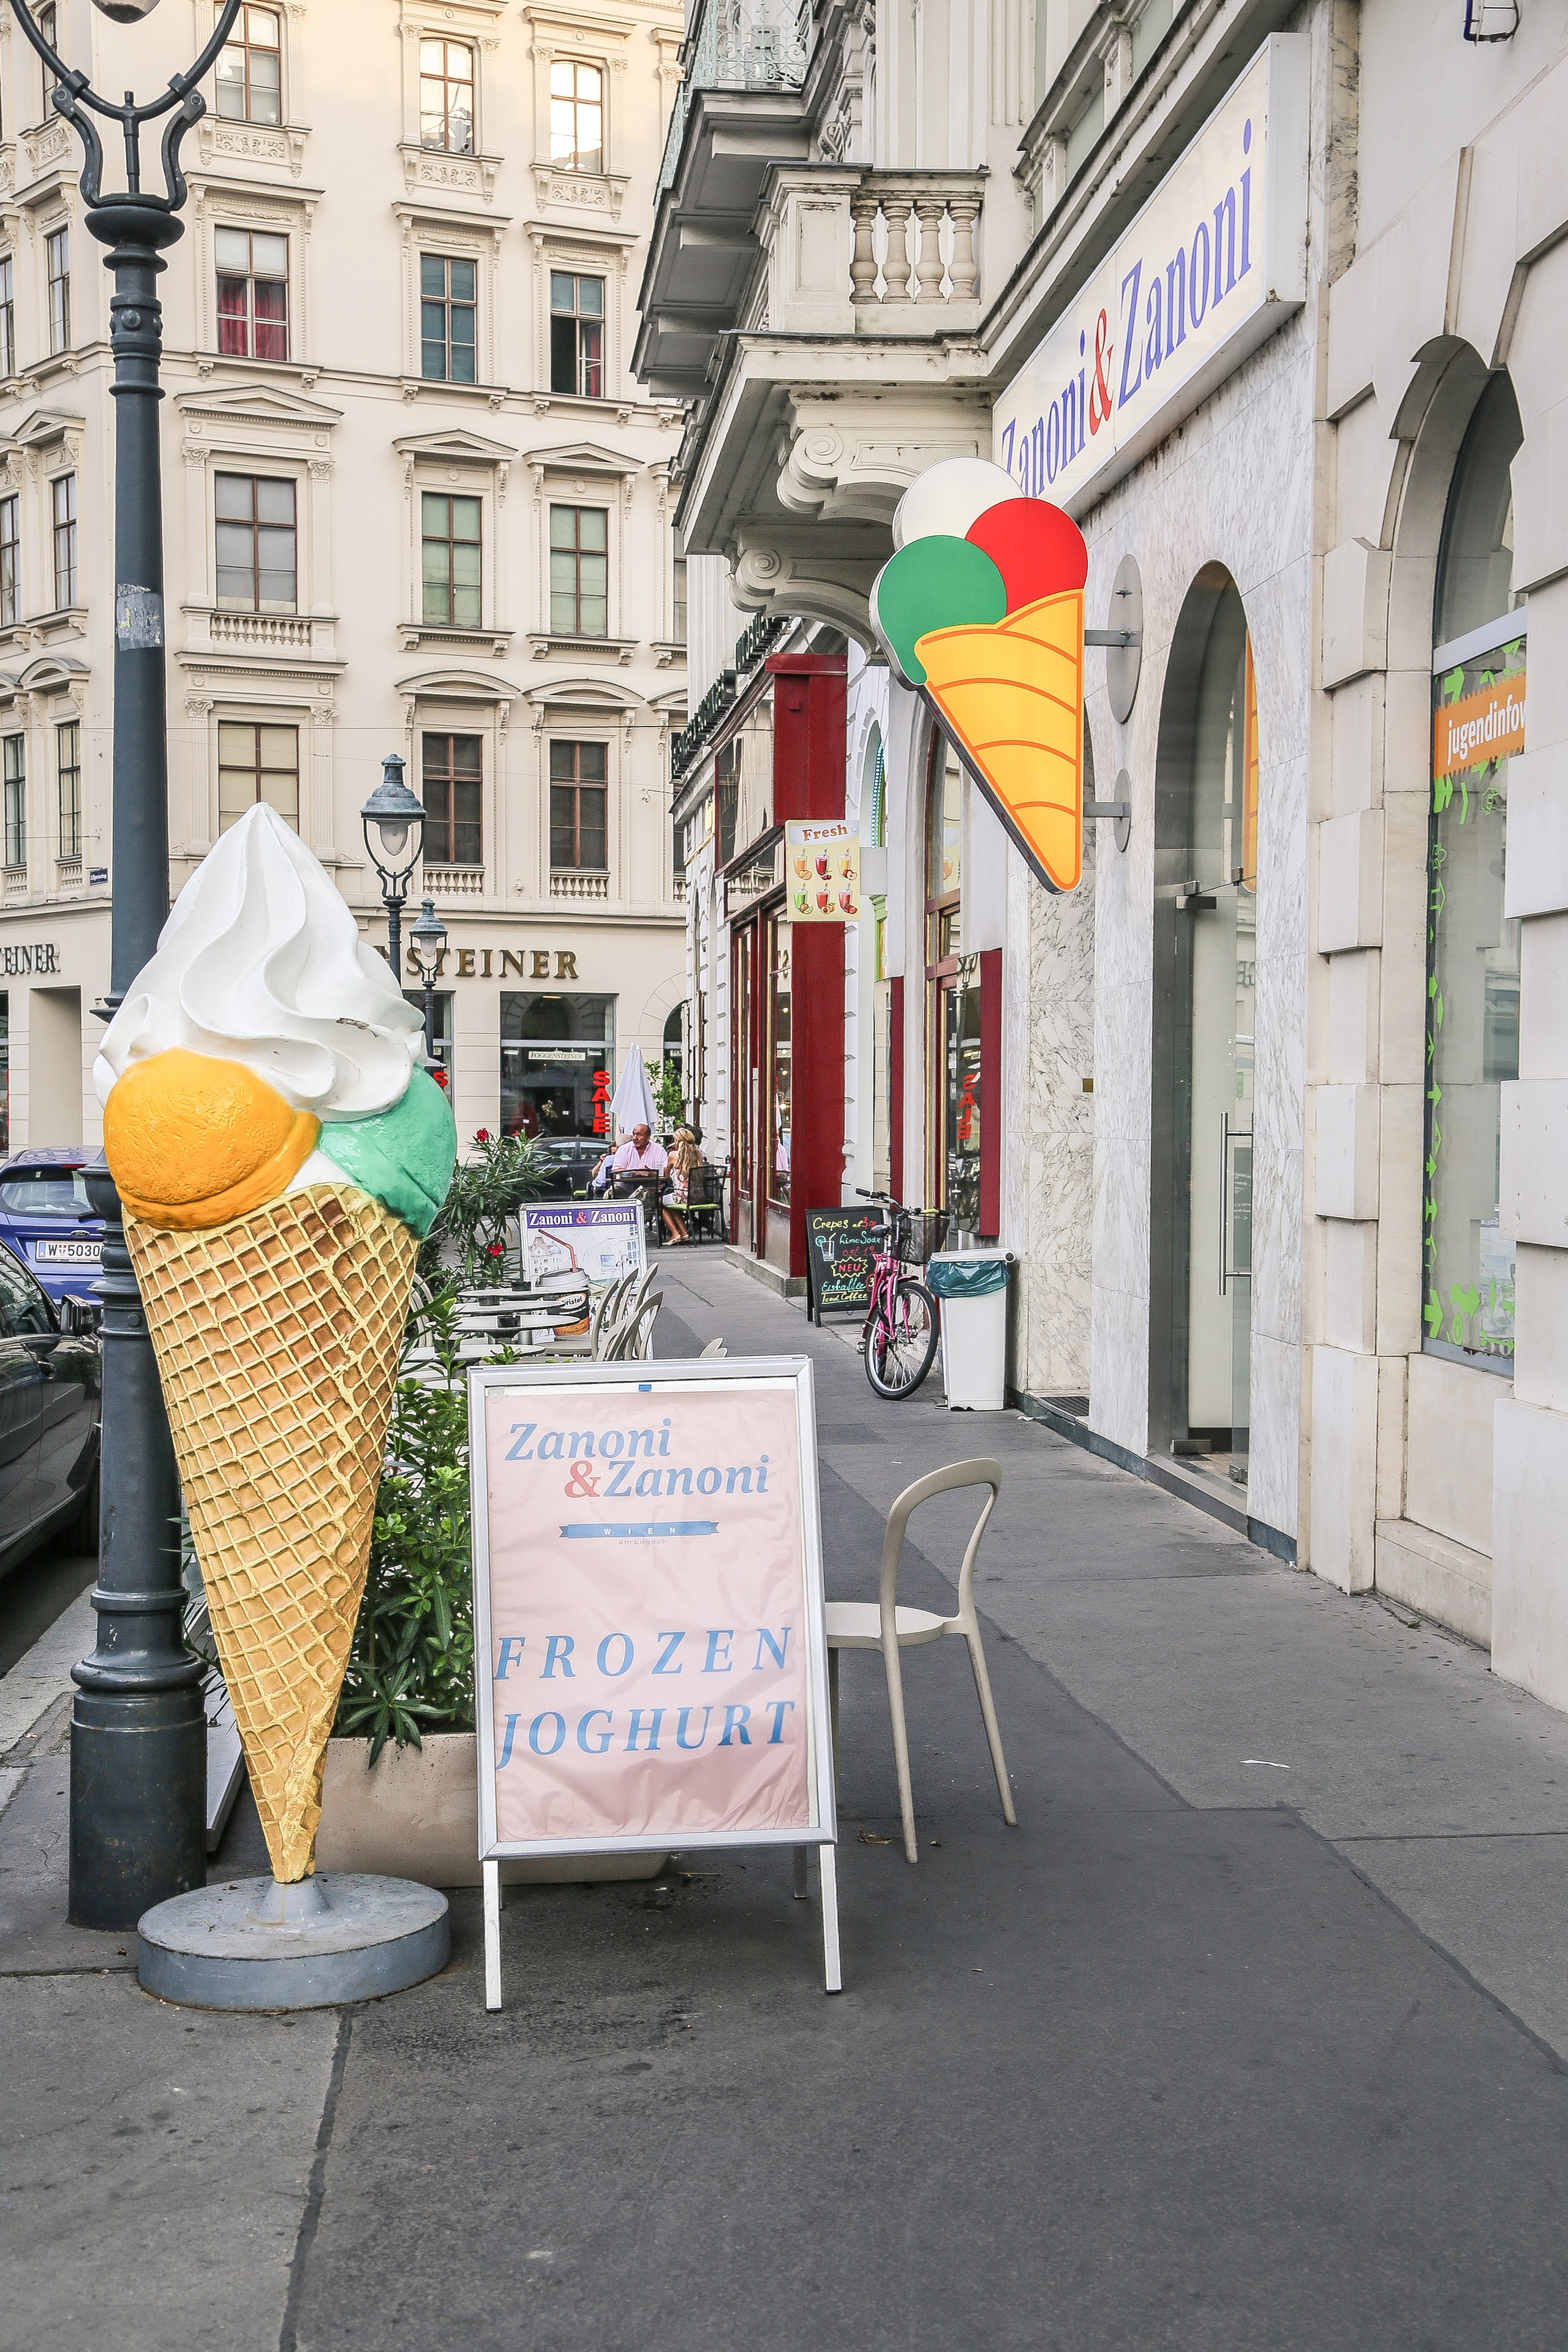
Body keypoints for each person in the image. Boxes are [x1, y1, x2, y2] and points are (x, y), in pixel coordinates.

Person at [663, 1126, 703, 1245]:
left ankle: (676, 1233)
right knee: (672, 1204)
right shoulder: (698, 1154)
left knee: (661, 1203)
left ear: (677, 1141)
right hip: (699, 1197)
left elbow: (667, 1175)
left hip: (682, 1197)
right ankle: (684, 1234)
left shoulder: (673, 1155)